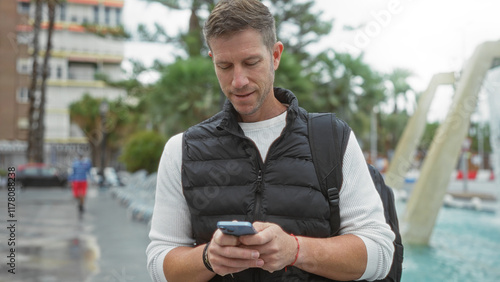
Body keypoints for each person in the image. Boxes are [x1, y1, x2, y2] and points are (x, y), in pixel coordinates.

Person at [146, 0, 395, 281]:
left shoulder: (333, 138)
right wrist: (207, 258)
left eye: (251, 62)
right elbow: (159, 265)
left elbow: (381, 253)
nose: (238, 81)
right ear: (212, 59)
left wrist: (296, 250)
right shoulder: (181, 149)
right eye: (224, 65)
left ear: (275, 55)